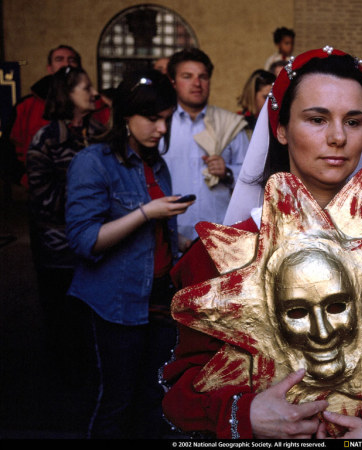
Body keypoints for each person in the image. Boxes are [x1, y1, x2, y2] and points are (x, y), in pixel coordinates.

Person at [160, 47, 362, 440]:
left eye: (353, 121)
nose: (338, 137)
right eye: (317, 119)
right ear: (280, 128)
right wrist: (246, 414)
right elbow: (181, 391)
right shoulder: (218, 254)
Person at [65, 69, 195, 438]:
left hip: (158, 299)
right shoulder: (94, 161)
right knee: (116, 403)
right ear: (125, 115)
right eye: (152, 119)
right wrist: (146, 213)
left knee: (152, 400)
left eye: (166, 119)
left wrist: (182, 240)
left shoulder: (156, 164)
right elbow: (85, 241)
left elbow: (152, 236)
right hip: (115, 303)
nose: (161, 129)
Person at [26, 65, 105, 376]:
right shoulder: (45, 140)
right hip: (59, 250)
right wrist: (88, 204)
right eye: (86, 88)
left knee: (93, 319)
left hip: (99, 245)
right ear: (67, 95)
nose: (94, 93)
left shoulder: (101, 134)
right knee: (62, 319)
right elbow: (42, 198)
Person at [162, 48, 249, 248]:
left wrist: (227, 172)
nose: (197, 83)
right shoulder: (161, 125)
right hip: (171, 234)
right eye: (187, 76)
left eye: (203, 77)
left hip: (220, 236)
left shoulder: (229, 125)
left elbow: (254, 176)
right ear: (173, 82)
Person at [9, 45, 109, 187]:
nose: (66, 64)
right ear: (49, 68)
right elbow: (9, 150)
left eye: (72, 60)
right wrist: (24, 179)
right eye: (59, 59)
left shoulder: (98, 107)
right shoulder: (27, 106)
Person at [237, 69, 277, 134]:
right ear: (252, 95)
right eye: (266, 97)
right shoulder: (239, 123)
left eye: (274, 98)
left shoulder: (276, 121)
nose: (272, 102)